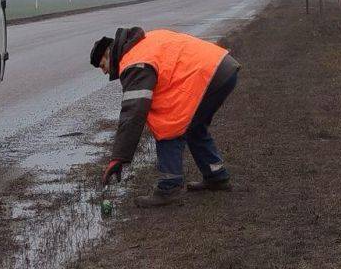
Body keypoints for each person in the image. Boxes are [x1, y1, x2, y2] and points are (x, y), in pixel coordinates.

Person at [91, 26, 240, 207]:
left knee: (167, 125)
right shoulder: (141, 44)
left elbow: (134, 112)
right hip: (222, 68)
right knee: (193, 126)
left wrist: (118, 157)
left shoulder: (134, 62)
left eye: (102, 66)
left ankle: (169, 189)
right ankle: (216, 176)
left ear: (108, 54)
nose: (105, 72)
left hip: (207, 75)